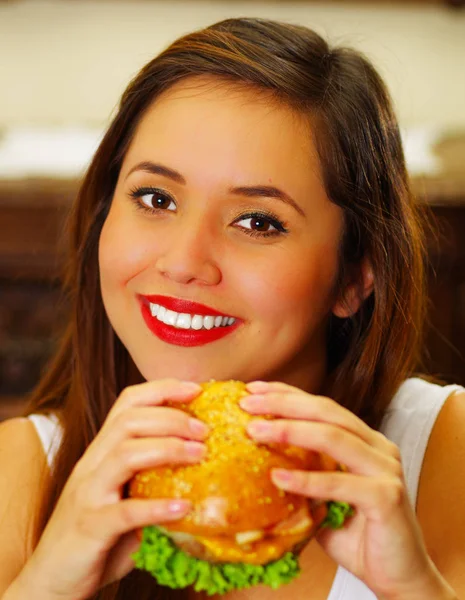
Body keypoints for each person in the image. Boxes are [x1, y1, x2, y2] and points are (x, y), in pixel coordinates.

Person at [0, 16, 464, 600]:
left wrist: (417, 589)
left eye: (258, 222)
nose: (185, 262)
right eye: (156, 198)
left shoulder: (446, 450)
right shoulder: (23, 472)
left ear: (354, 277)